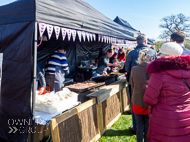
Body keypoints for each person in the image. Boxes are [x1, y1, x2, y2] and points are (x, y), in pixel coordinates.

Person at [143, 42, 190, 142]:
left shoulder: (158, 73)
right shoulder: (188, 71)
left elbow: (149, 100)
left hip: (163, 119)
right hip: (186, 117)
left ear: (163, 56)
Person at [124, 34, 157, 134]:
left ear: (137, 42)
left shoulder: (132, 53)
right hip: (150, 82)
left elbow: (127, 68)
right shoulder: (153, 52)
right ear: (146, 41)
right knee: (150, 103)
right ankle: (149, 125)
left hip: (135, 82)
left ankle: (136, 126)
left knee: (135, 102)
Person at [131, 48, 155, 142]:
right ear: (151, 58)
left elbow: (132, 85)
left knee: (139, 125)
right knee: (148, 126)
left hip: (137, 101)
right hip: (149, 102)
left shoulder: (134, 69)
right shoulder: (153, 71)